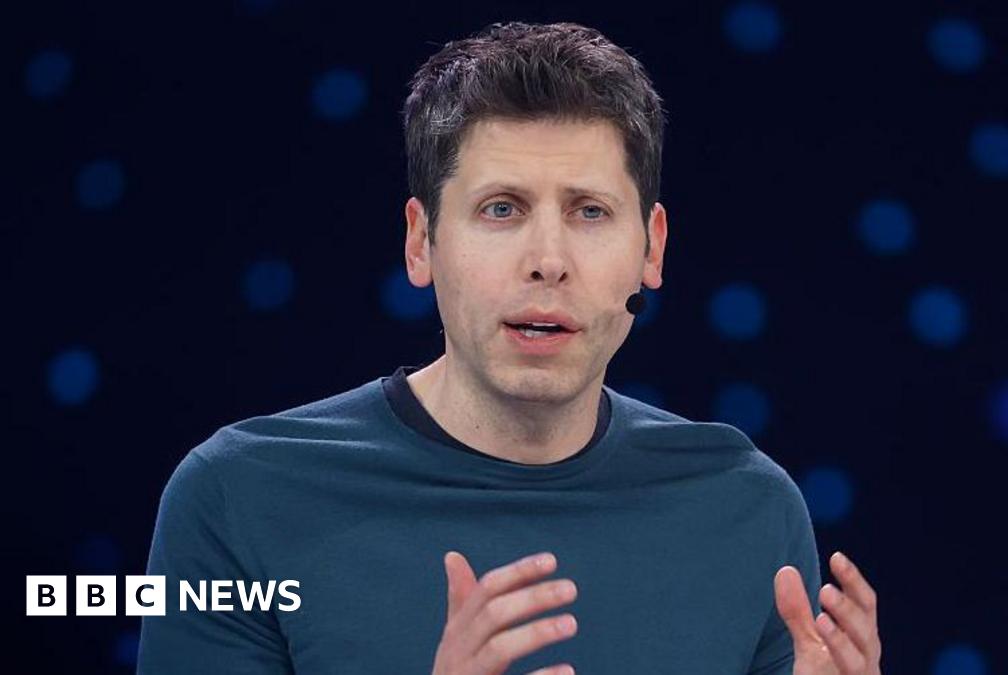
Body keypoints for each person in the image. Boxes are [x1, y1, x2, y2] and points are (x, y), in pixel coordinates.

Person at [138, 21, 882, 675]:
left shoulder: (747, 506)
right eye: (502, 209)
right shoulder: (238, 498)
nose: (547, 259)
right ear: (420, 241)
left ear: (651, 248)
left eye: (590, 212)